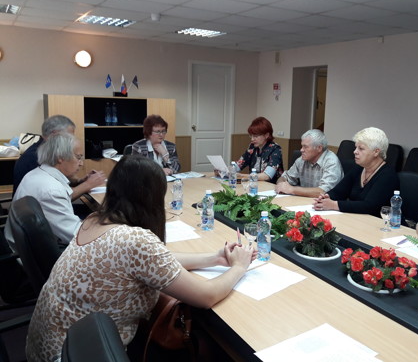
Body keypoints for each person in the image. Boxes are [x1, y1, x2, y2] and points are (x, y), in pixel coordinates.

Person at [25, 155, 255, 362]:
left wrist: (213, 258)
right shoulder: (134, 240)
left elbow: (156, 261)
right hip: (74, 354)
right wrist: (239, 266)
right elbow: (206, 296)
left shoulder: (95, 219)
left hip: (52, 345)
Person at [6, 133, 84, 250]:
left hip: (25, 245)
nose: (81, 163)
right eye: (78, 157)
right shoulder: (51, 190)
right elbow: (78, 236)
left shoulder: (36, 173)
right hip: (36, 254)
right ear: (60, 157)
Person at [12, 115, 105, 197]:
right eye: (68, 137)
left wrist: (80, 181)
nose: (71, 140)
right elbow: (58, 195)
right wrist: (88, 185)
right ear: (54, 134)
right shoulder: (35, 156)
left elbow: (58, 181)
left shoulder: (42, 150)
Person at [313, 127, 398, 216]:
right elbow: (339, 192)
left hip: (380, 222)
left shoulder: (388, 175)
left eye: (361, 148)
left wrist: (334, 205)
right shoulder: (359, 168)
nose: (355, 152)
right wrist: (326, 197)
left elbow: (370, 206)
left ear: (376, 152)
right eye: (356, 147)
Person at [275, 129, 343, 197]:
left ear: (319, 148)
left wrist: (291, 189)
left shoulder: (331, 162)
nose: (301, 150)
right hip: (304, 200)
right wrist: (281, 185)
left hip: (326, 202)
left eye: (305, 147)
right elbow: (285, 177)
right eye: (302, 146)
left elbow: (323, 192)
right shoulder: (301, 160)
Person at [235, 117, 283, 183]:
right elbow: (239, 164)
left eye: (255, 136)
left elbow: (267, 176)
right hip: (254, 184)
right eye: (251, 136)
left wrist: (242, 176)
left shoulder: (275, 149)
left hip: (270, 186)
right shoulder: (252, 147)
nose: (252, 139)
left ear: (266, 135)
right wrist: (227, 170)